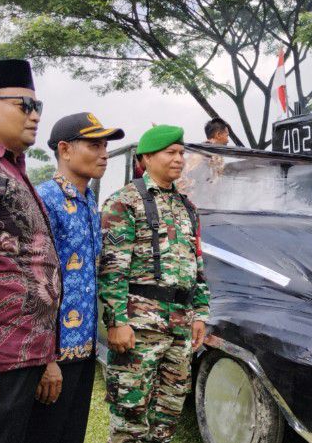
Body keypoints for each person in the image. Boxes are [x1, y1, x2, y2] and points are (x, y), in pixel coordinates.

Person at [0, 59, 61, 443]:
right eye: (25, 105)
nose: (35, 116)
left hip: (21, 360)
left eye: (38, 107)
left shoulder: (6, 166)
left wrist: (47, 356)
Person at [99, 125, 209, 443]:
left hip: (180, 326)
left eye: (181, 152)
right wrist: (117, 322)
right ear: (146, 157)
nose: (179, 158)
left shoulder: (187, 207)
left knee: (168, 416)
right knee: (130, 418)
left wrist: (200, 313)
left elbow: (198, 267)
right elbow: (111, 270)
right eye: (170, 152)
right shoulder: (124, 202)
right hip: (139, 328)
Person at [26, 113, 124, 443]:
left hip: (84, 349)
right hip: (52, 355)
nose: (105, 153)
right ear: (65, 149)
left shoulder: (87, 200)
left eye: (106, 145)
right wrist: (46, 359)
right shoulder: (45, 199)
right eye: (95, 144)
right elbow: (34, 285)